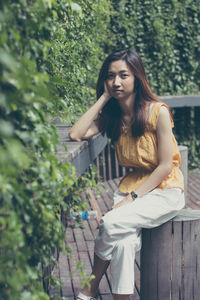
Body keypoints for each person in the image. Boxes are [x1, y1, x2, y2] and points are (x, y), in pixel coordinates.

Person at [69, 49, 184, 300]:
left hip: (165, 189)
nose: (116, 82)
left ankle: (92, 284)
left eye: (123, 75)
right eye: (110, 76)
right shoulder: (113, 117)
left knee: (110, 222)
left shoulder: (158, 112)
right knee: (123, 243)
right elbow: (76, 134)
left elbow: (165, 165)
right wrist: (103, 98)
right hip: (131, 185)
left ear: (137, 77)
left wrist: (130, 198)